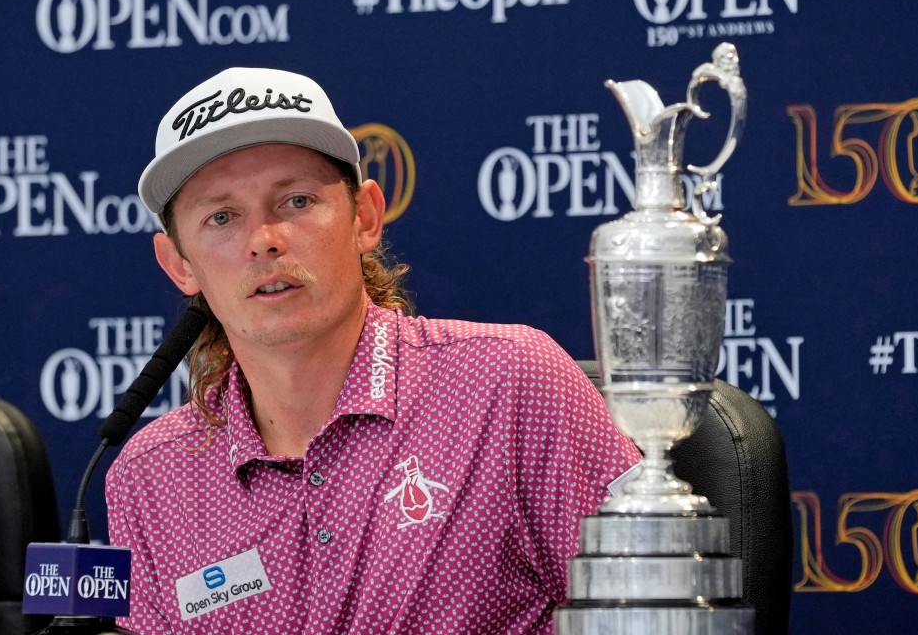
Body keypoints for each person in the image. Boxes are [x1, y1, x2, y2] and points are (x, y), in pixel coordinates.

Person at [105, 67, 640, 634]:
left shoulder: (510, 384)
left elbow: (655, 611)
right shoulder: (149, 478)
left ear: (365, 217)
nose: (263, 239)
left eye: (296, 200)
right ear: (179, 264)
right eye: (221, 217)